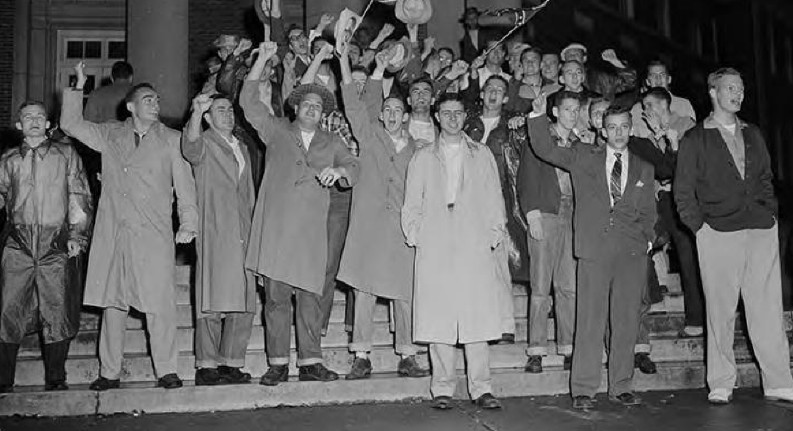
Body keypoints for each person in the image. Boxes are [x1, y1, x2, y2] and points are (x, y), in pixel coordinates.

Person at [61, 62, 198, 391]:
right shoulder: (110, 134)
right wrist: (77, 87)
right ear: (131, 105)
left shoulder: (172, 139)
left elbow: (185, 186)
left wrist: (189, 221)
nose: (155, 104)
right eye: (148, 99)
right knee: (114, 303)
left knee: (160, 302)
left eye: (157, 100)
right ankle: (109, 372)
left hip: (154, 232)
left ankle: (166, 369)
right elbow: (70, 124)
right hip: (115, 230)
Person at [241, 42, 359, 386]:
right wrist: (262, 58)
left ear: (323, 114)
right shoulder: (275, 129)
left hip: (310, 234)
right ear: (295, 107)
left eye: (317, 106)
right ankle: (277, 363)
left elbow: (353, 165)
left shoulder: (331, 141)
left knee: (311, 298)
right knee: (276, 300)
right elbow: (248, 102)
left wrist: (338, 173)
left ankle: (310, 361)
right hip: (277, 231)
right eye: (306, 104)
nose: (311, 109)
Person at [527, 97, 656, 410]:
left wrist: (648, 239)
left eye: (624, 127)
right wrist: (537, 114)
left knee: (625, 320)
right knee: (590, 320)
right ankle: (583, 389)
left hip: (631, 253)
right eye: (612, 127)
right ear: (603, 129)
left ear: (631, 128)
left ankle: (622, 385)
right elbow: (545, 149)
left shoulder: (644, 167)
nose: (619, 133)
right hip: (594, 249)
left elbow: (650, 211)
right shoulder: (584, 155)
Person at [675, 67, 793, 404]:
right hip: (717, 231)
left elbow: (767, 177)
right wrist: (700, 228)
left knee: (767, 308)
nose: (738, 93)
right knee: (720, 311)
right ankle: (722, 381)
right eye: (730, 87)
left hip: (760, 229)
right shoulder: (696, 138)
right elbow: (683, 192)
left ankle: (778, 380)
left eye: (741, 88)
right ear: (713, 91)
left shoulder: (753, 133)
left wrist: (769, 212)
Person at [402, 93, 507, 410]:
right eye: (445, 113)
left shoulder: (481, 153)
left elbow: (494, 196)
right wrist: (417, 234)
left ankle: (482, 387)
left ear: (465, 117)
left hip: (473, 240)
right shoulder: (422, 156)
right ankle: (443, 388)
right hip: (435, 242)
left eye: (457, 113)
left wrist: (493, 233)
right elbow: (411, 203)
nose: (451, 118)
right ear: (436, 116)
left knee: (476, 316)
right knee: (440, 316)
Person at [338, 45, 429, 380]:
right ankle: (361, 354)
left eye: (397, 110)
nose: (391, 114)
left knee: (405, 291)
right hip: (369, 226)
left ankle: (407, 355)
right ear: (381, 115)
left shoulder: (420, 150)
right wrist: (375, 69)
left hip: (403, 228)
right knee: (364, 288)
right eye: (387, 109)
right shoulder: (370, 136)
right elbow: (354, 105)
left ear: (406, 116)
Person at [0, 101, 93, 393]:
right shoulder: (8, 159)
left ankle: (56, 378)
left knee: (57, 310)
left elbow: (79, 194)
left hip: (56, 242)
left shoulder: (66, 154)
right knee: (7, 310)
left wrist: (77, 236)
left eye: (40, 116)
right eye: (28, 117)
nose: (35, 121)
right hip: (17, 244)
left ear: (48, 123)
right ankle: (3, 380)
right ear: (19, 125)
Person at [182, 93, 257, 386]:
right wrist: (195, 114)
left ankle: (231, 362)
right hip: (216, 228)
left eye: (229, 109)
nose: (226, 114)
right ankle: (206, 364)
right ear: (208, 118)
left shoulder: (242, 147)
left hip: (244, 230)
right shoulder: (205, 143)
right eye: (219, 110)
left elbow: (248, 192)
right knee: (211, 299)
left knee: (244, 299)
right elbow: (189, 147)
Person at [517, 91, 581, 374]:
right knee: (540, 286)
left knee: (568, 286)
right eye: (567, 109)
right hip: (546, 212)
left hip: (573, 216)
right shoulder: (539, 139)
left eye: (576, 109)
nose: (573, 114)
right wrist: (532, 214)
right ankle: (536, 349)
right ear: (555, 112)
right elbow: (526, 177)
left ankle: (568, 347)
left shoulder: (580, 144)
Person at [462, 75, 526, 343]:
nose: (493, 94)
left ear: (506, 97)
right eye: (489, 89)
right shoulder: (466, 122)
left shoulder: (514, 125)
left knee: (500, 265)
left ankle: (505, 325)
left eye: (499, 90)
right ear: (482, 93)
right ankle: (471, 322)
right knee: (469, 266)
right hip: (466, 200)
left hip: (500, 200)